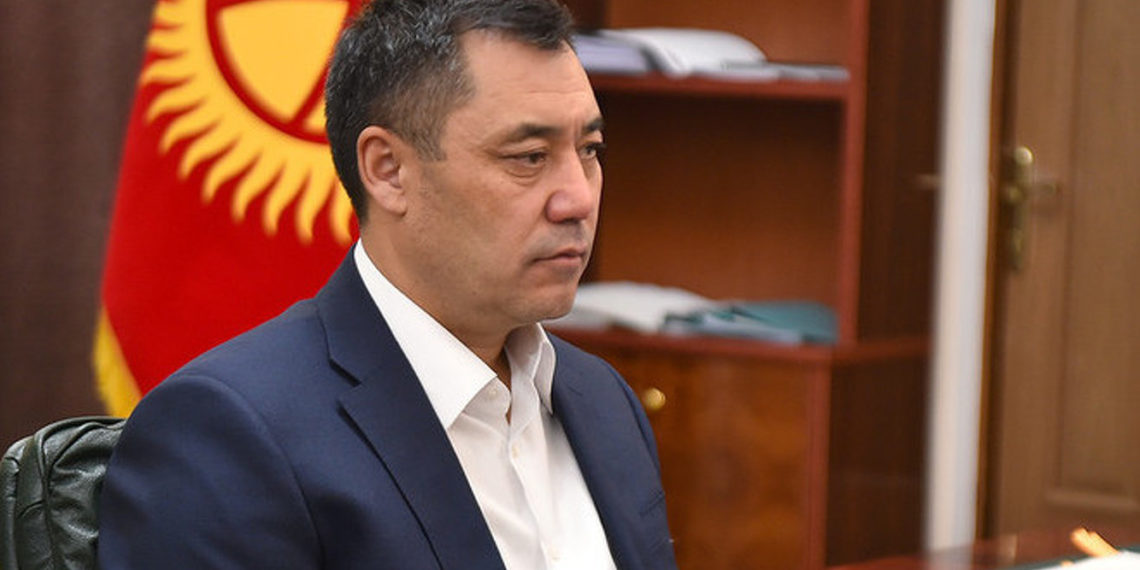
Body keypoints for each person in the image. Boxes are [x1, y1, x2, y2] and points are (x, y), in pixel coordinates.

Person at [96, 0, 679, 568]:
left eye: (590, 150)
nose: (578, 198)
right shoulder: (228, 432)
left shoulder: (603, 400)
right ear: (388, 170)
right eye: (528, 157)